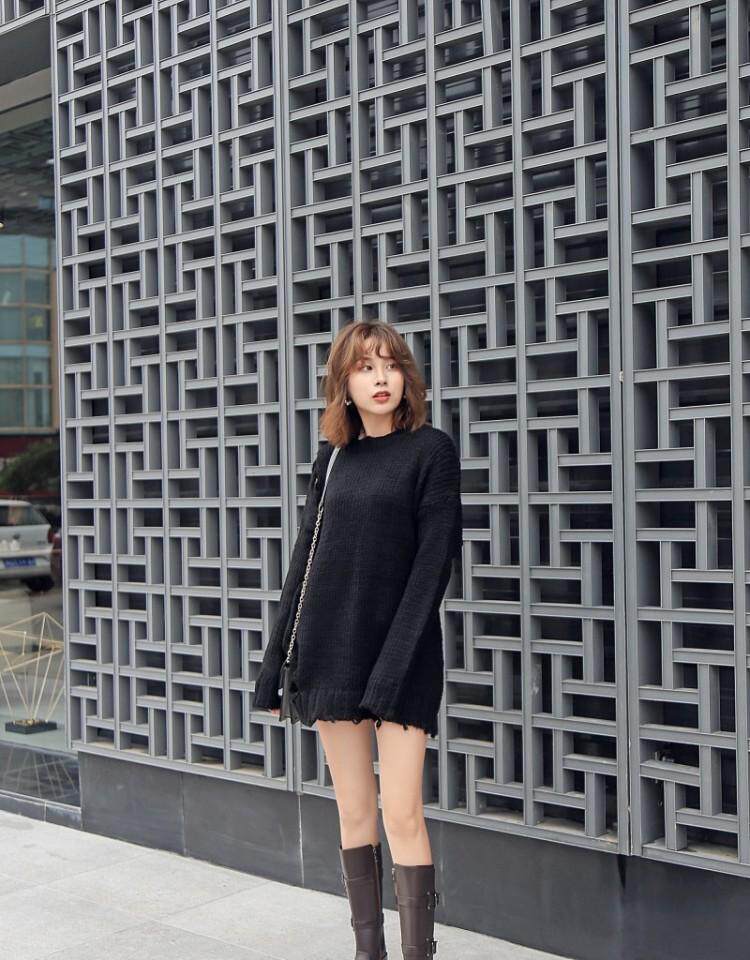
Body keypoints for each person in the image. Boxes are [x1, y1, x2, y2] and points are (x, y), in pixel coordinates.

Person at [253, 320, 463, 960]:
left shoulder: (431, 451)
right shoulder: (334, 458)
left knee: (402, 813)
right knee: (353, 812)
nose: (381, 378)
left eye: (391, 365)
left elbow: (433, 568)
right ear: (343, 383)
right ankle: (367, 951)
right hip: (331, 650)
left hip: (402, 657)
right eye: (366, 367)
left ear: (407, 378)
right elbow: (305, 563)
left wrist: (391, 670)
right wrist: (273, 669)